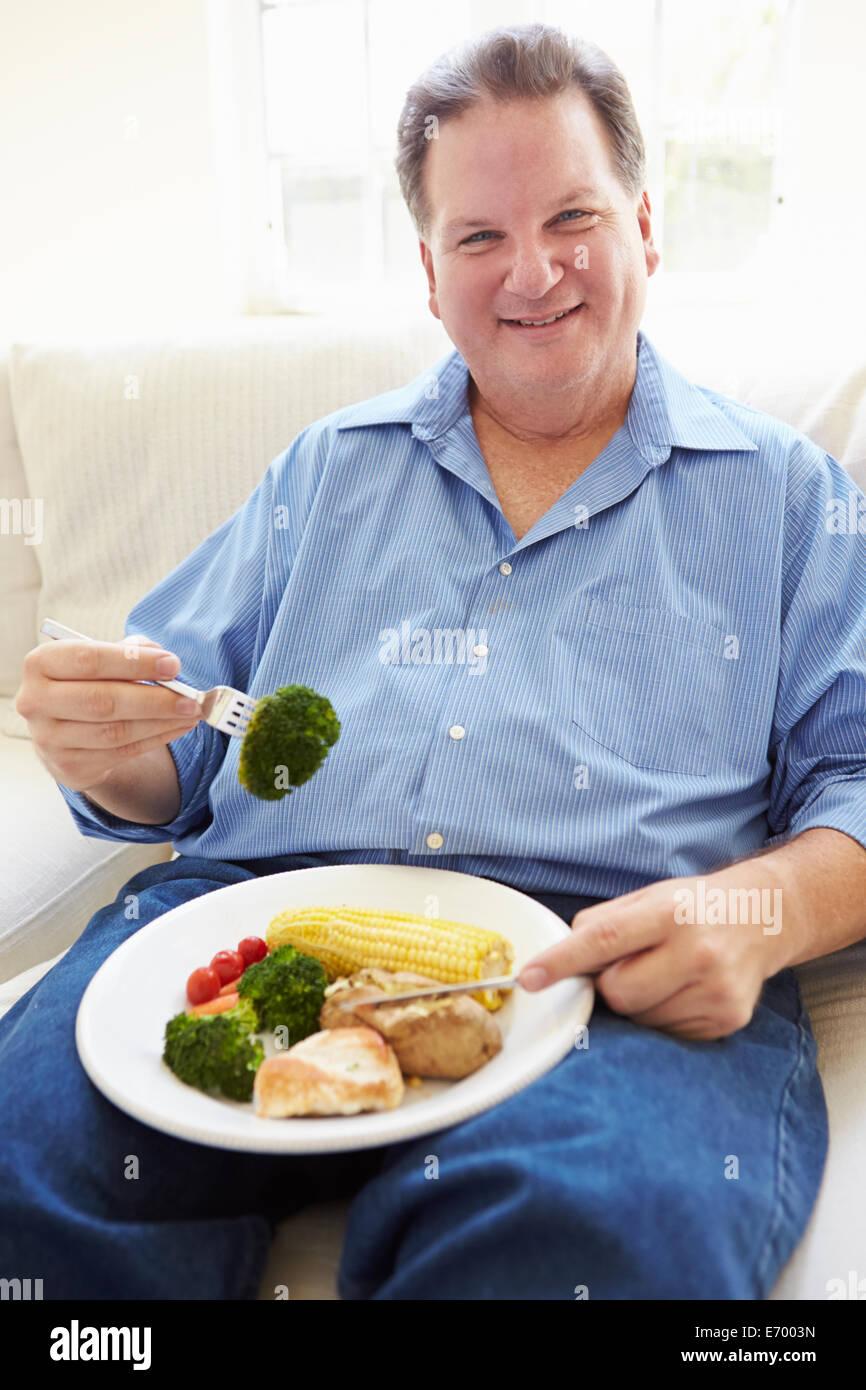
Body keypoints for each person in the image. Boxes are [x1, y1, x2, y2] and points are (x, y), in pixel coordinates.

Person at [2, 21, 864, 1300]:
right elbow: (178, 749)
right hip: (252, 922)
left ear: (644, 226)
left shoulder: (790, 499)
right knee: (24, 1188)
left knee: (584, 1249)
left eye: (572, 215)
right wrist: (113, 753)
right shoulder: (324, 470)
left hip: (611, 969)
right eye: (478, 237)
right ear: (427, 272)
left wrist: (760, 914)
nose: (532, 272)